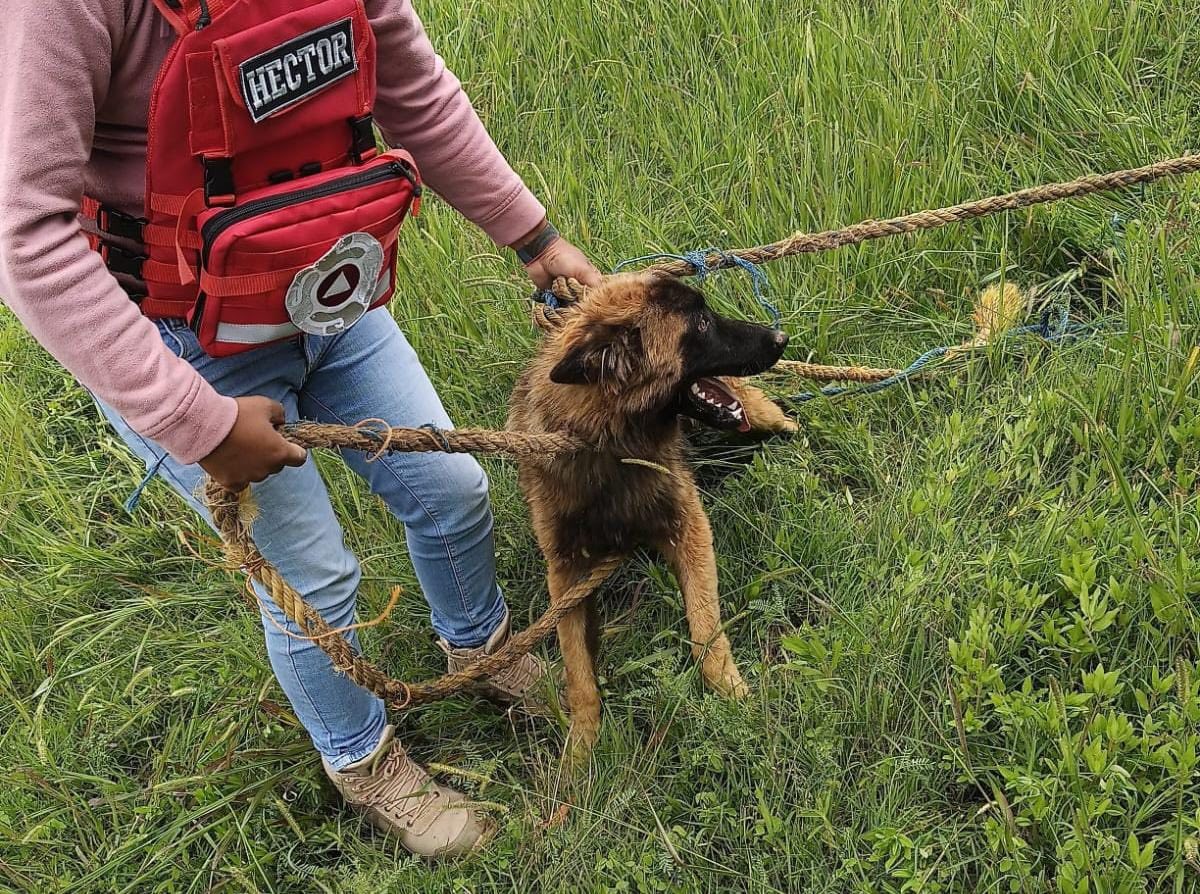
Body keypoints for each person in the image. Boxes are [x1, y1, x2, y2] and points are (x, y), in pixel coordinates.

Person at [0, 0, 602, 858]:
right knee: (312, 584)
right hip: (176, 339)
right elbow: (27, 238)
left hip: (328, 294)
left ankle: (482, 645)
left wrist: (535, 237)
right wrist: (195, 422)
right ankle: (359, 756)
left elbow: (415, 92)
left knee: (453, 488)